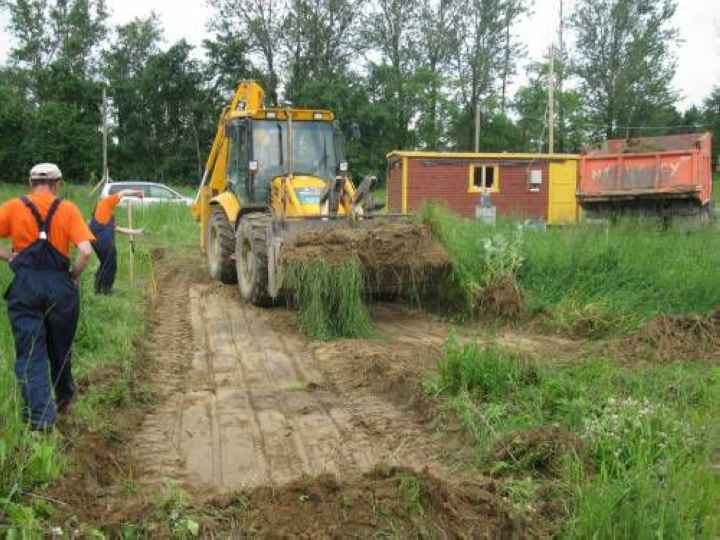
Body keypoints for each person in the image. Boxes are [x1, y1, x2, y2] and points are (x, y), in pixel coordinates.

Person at [0, 163, 94, 431]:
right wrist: (74, 276)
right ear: (58, 184)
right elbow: (86, 251)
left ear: (30, 183)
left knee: (31, 354)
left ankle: (40, 420)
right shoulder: (68, 209)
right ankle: (64, 400)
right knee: (60, 350)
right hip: (60, 287)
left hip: (26, 287)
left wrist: (9, 255)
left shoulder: (13, 207)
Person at [88, 189, 144, 294]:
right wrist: (137, 193)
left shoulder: (103, 215)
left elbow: (119, 229)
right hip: (103, 240)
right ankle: (106, 289)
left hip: (96, 241)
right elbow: (122, 193)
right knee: (111, 264)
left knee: (105, 263)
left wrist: (137, 232)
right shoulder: (105, 203)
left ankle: (98, 288)